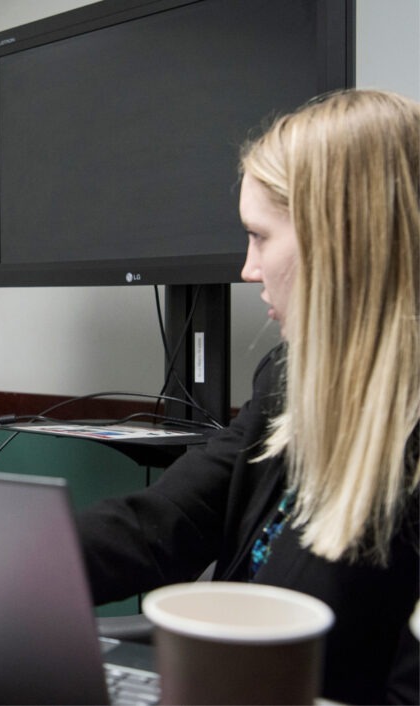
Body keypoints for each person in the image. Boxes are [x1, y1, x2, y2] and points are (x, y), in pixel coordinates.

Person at [75, 89, 419, 705]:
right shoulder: (288, 376)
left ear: (341, 244)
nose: (247, 268)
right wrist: (2, 572)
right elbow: (168, 523)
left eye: (260, 237)